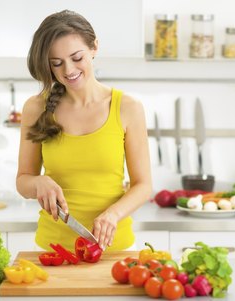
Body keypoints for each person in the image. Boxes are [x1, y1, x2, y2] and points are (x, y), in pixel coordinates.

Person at [16, 10, 152, 252]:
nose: (68, 70)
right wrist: (38, 182)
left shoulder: (127, 108)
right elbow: (22, 181)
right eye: (56, 63)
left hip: (112, 247)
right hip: (54, 248)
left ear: (94, 47)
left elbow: (143, 185)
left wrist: (113, 215)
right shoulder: (35, 108)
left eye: (76, 58)